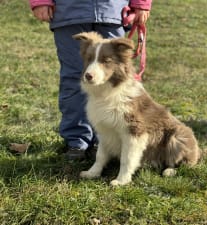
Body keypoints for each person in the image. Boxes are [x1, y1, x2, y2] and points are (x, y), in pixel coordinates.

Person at [29, 0, 152, 160]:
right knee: (74, 78)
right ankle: (76, 141)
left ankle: (104, 142)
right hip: (69, 12)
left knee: (113, 81)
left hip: (113, 11)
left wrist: (141, 3)